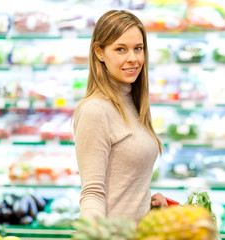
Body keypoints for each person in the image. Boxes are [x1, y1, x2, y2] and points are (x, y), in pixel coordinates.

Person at [72, 10, 168, 223]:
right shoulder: (95, 110)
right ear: (99, 52)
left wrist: (146, 204)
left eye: (138, 48)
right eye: (120, 49)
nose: (133, 58)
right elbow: (92, 193)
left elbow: (123, 182)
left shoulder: (133, 102)